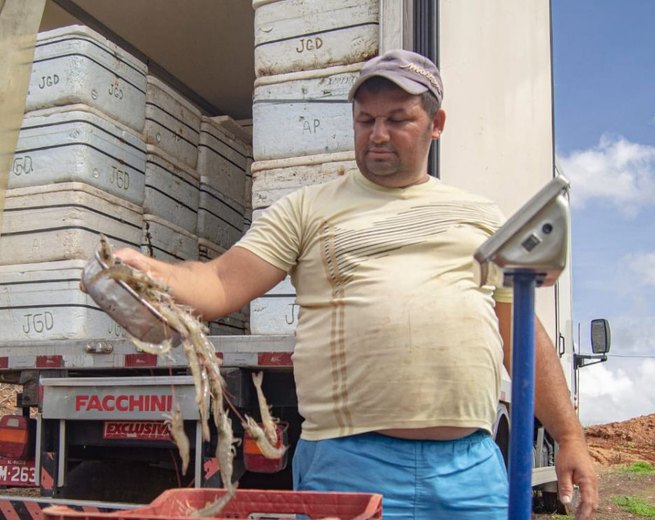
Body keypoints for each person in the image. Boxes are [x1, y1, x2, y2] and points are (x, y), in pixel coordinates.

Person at [112, 49, 598, 519]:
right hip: (346, 466)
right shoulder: (307, 208)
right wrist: (148, 271)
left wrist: (570, 437)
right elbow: (220, 281)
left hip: (469, 469)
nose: (378, 134)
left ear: (437, 124)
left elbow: (520, 330)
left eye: (398, 119)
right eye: (366, 121)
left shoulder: (481, 216)